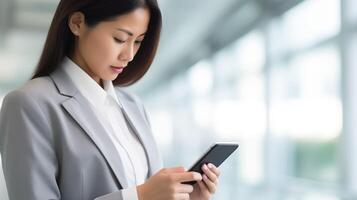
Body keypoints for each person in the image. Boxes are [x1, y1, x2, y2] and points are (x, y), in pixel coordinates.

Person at [0, 0, 221, 200]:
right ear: (77, 23)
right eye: (120, 39)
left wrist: (186, 197)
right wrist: (137, 197)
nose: (129, 55)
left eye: (138, 41)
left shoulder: (134, 106)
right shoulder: (27, 104)